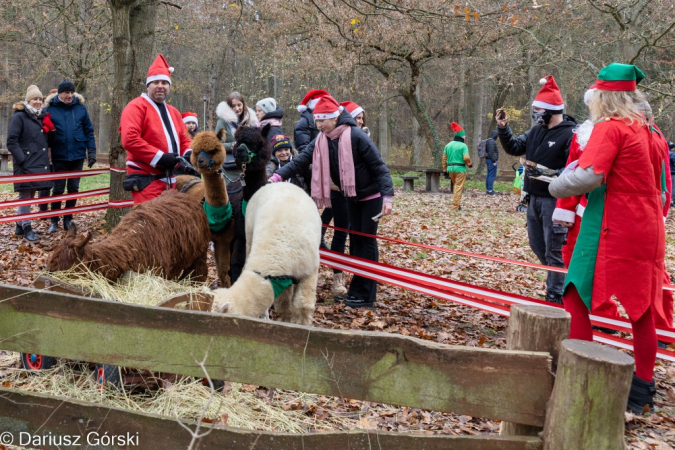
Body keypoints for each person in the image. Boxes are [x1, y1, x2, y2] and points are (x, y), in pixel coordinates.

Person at [549, 63, 667, 414]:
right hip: (649, 227)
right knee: (642, 306)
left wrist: (555, 185)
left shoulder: (611, 129)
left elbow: (588, 176)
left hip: (612, 224)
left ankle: (585, 373)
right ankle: (643, 386)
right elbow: (661, 188)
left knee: (575, 292)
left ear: (604, 97)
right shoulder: (651, 132)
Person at [270, 95, 394, 308]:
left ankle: (366, 294)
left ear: (335, 118)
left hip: (371, 196)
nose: (318, 125)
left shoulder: (356, 135)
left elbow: (378, 166)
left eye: (322, 120)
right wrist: (277, 176)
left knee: (366, 241)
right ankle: (357, 289)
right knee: (354, 242)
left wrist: (387, 196)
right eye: (316, 120)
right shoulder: (322, 139)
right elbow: (300, 160)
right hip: (352, 197)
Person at [496, 75, 577, 304]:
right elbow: (514, 147)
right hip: (533, 199)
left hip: (555, 201)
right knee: (537, 245)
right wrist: (503, 128)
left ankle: (556, 297)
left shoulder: (571, 133)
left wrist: (551, 174)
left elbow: (574, 168)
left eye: (539, 110)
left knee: (554, 249)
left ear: (552, 110)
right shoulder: (535, 131)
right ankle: (560, 281)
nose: (536, 114)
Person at [120, 54, 192, 205]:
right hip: (146, 180)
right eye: (156, 82)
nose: (160, 86)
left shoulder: (173, 112)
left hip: (169, 180)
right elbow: (130, 139)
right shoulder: (136, 106)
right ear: (148, 85)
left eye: (165, 83)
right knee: (150, 225)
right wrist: (160, 157)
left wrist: (189, 154)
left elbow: (184, 139)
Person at [44, 79, 96, 232]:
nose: (70, 95)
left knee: (73, 188)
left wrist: (91, 151)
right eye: (67, 92)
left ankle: (68, 218)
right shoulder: (50, 108)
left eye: (72, 92)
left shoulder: (81, 108)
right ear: (59, 93)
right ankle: (54, 220)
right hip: (58, 155)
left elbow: (89, 130)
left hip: (77, 154)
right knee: (58, 189)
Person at [6, 85, 55, 242]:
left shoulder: (41, 117)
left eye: (40, 99)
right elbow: (11, 141)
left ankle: (20, 225)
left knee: (31, 194)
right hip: (25, 164)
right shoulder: (19, 117)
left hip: (38, 164)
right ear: (28, 100)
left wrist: (51, 129)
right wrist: (23, 160)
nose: (38, 102)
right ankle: (27, 226)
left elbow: (46, 143)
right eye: (35, 99)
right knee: (25, 195)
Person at [442, 122, 472, 210]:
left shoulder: (448, 145)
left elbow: (444, 159)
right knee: (458, 187)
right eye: (464, 135)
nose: (465, 137)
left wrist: (444, 170)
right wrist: (469, 164)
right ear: (461, 136)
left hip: (450, 169)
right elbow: (466, 157)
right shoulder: (463, 145)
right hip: (460, 169)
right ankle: (455, 206)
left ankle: (457, 204)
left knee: (456, 186)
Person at [485, 129, 499, 195]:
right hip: (491, 161)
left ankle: (488, 190)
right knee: (491, 175)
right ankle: (490, 190)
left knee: (489, 175)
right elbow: (491, 152)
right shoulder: (491, 142)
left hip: (489, 160)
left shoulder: (488, 141)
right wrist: (494, 161)